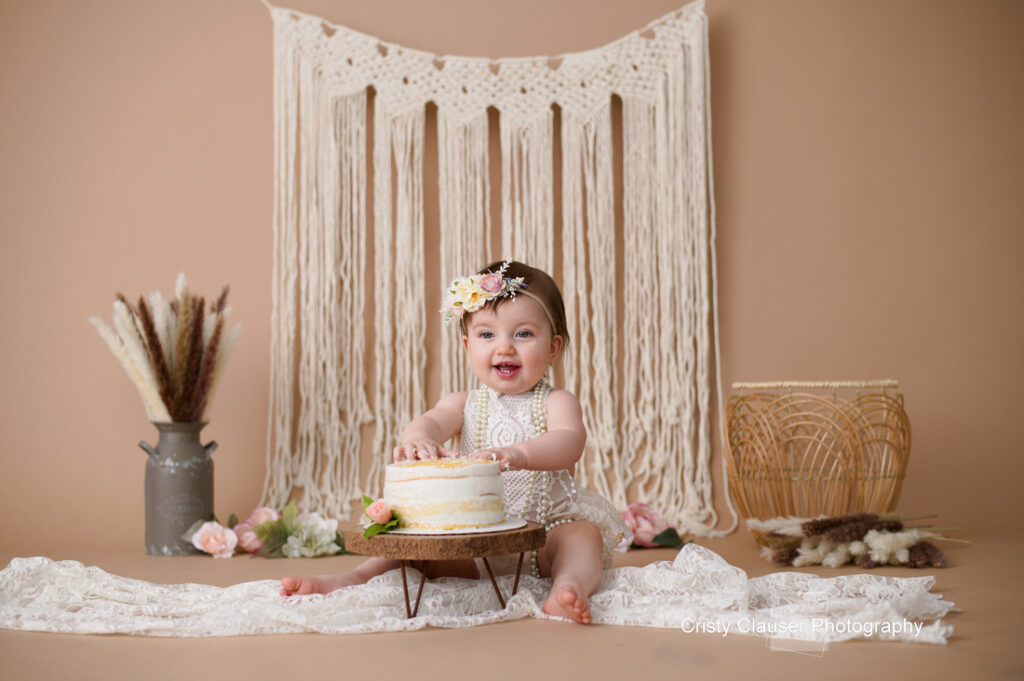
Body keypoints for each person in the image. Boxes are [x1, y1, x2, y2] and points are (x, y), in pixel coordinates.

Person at [280, 260, 626, 624]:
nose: (504, 347)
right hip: (472, 543)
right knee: (412, 544)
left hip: (544, 535)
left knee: (582, 536)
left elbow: (568, 441)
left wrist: (517, 453)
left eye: (523, 334)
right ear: (466, 345)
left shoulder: (557, 401)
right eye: (487, 335)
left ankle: (567, 587)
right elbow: (430, 420)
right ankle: (354, 578)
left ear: (554, 347)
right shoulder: (464, 403)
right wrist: (418, 438)